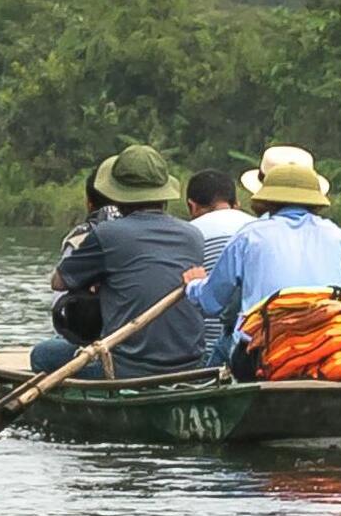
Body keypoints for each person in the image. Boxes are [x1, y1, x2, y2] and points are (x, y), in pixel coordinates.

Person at [35, 144, 232, 380]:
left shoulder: (107, 234)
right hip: (190, 364)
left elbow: (59, 282)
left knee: (43, 354)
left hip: (127, 367)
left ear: (119, 195)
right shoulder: (192, 234)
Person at [213, 144, 341, 358]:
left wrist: (192, 286)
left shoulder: (249, 236)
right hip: (326, 349)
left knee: (224, 343)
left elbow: (212, 302)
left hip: (262, 352)